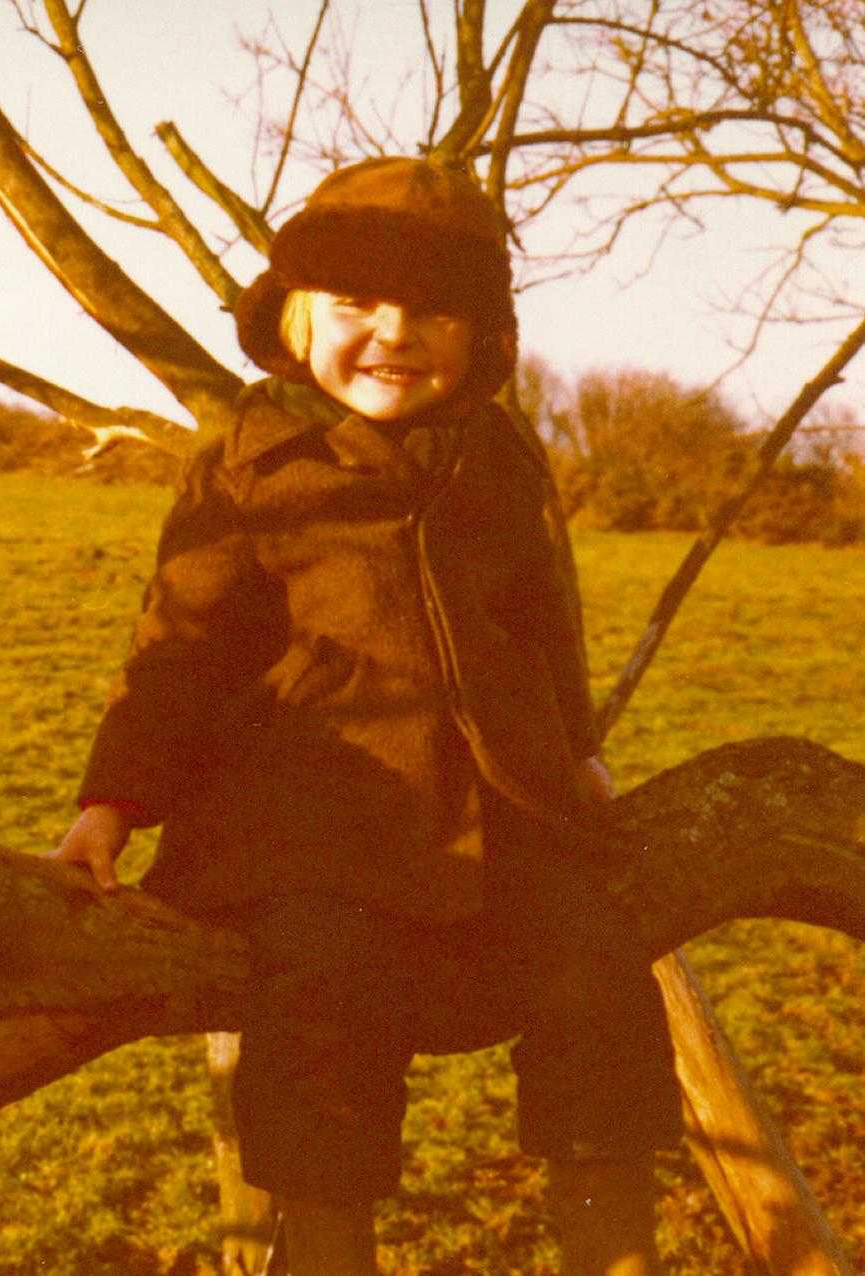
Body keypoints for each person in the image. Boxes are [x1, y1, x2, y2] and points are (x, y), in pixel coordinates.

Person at [52, 157, 682, 1276]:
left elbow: (542, 622)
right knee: (320, 1005)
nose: (393, 333)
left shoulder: (496, 457)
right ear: (293, 317)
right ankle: (327, 1245)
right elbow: (177, 651)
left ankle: (610, 1239)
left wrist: (576, 753)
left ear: (483, 335)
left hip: (497, 798)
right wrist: (112, 803)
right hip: (311, 819)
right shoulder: (252, 465)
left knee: (597, 970)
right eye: (355, 304)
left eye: (432, 310)